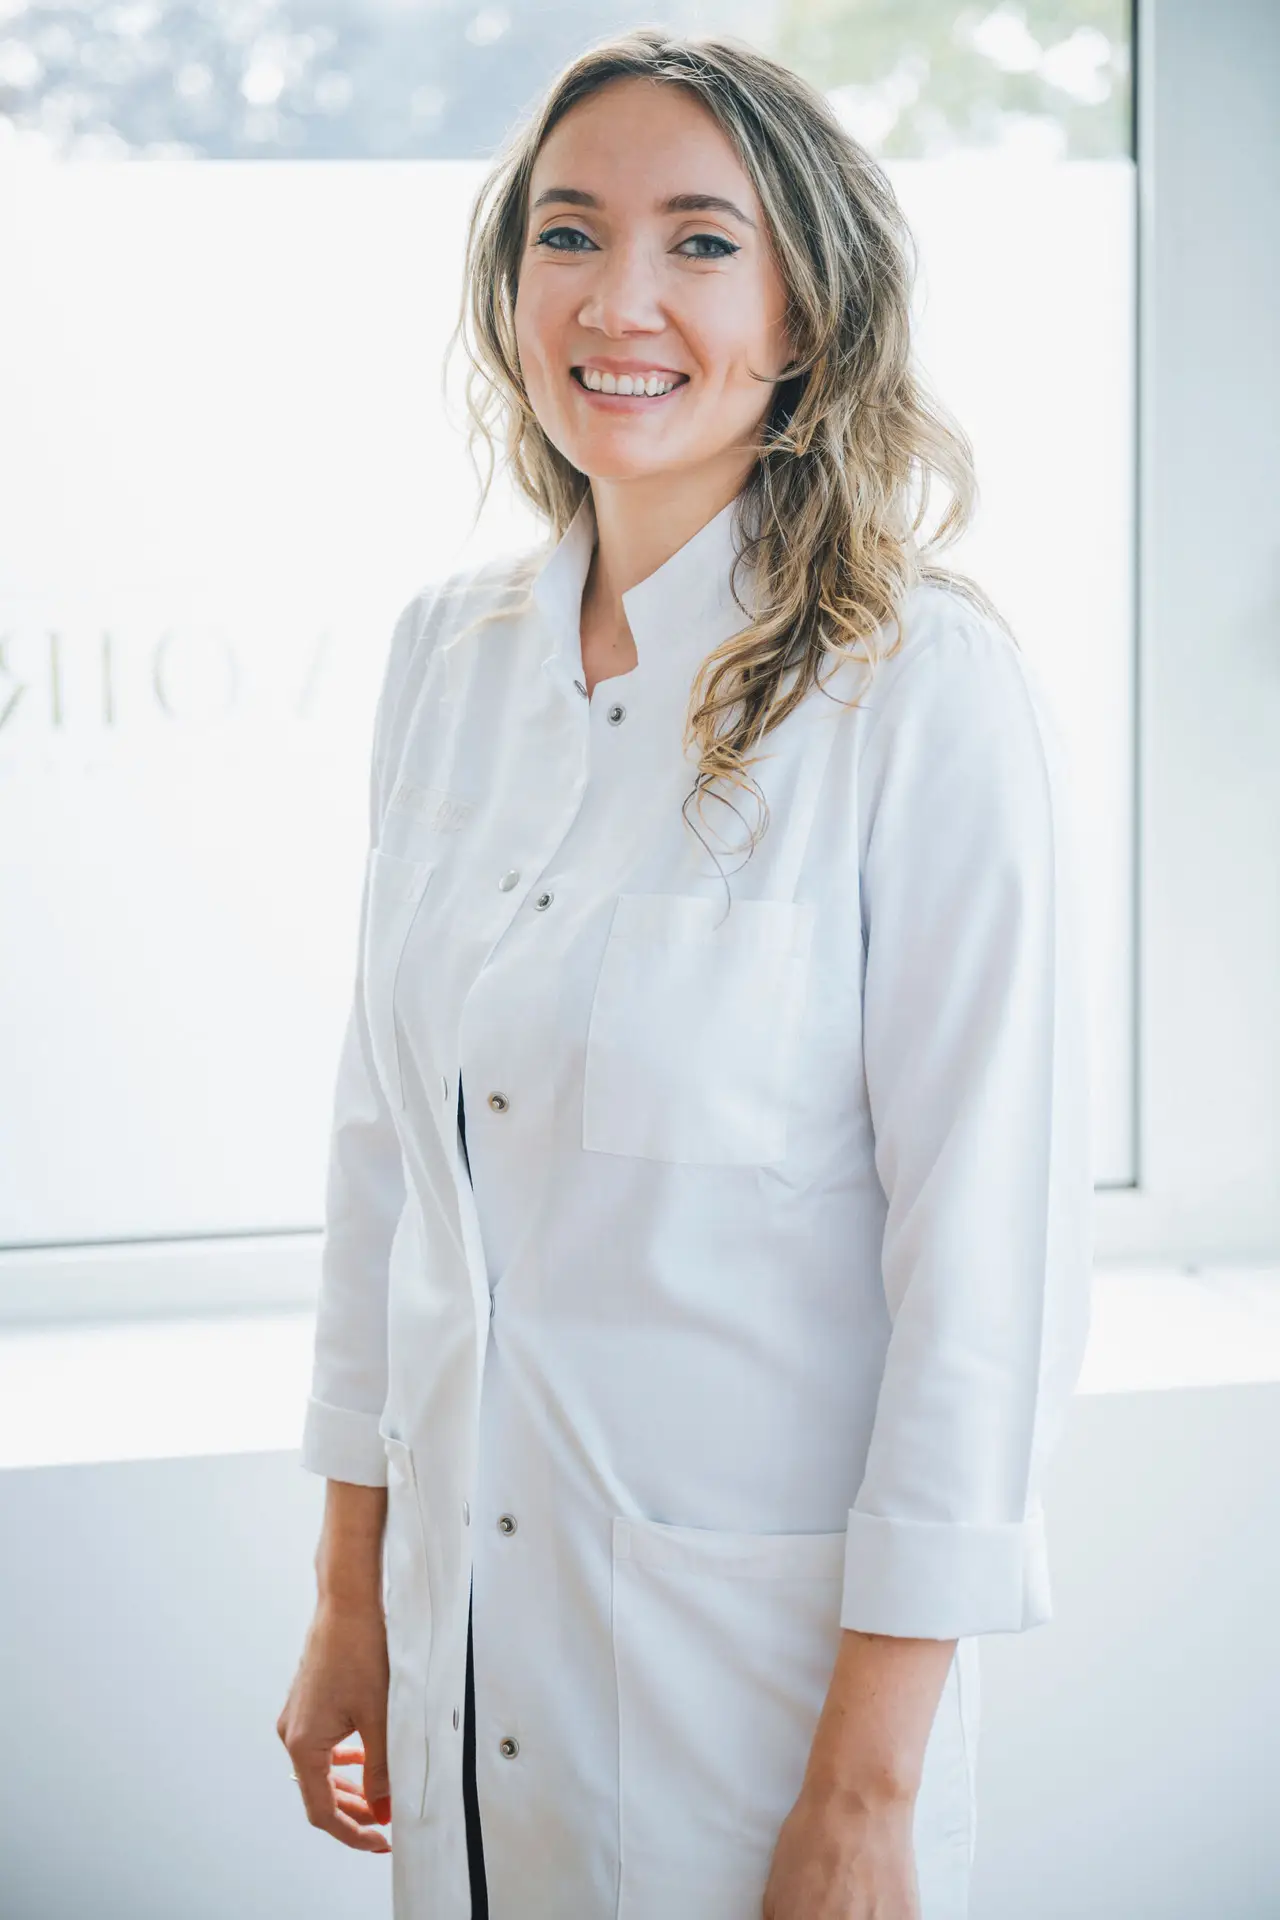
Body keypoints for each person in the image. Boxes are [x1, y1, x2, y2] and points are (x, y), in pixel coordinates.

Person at [276, 27, 1094, 1920]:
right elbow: (384, 1166)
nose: (620, 297)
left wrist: (872, 1790)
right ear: (511, 291)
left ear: (807, 312)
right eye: (568, 234)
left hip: (766, 1716)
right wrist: (352, 1602)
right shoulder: (447, 658)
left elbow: (986, 1272)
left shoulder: (920, 690)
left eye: (701, 243)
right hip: (462, 1654)